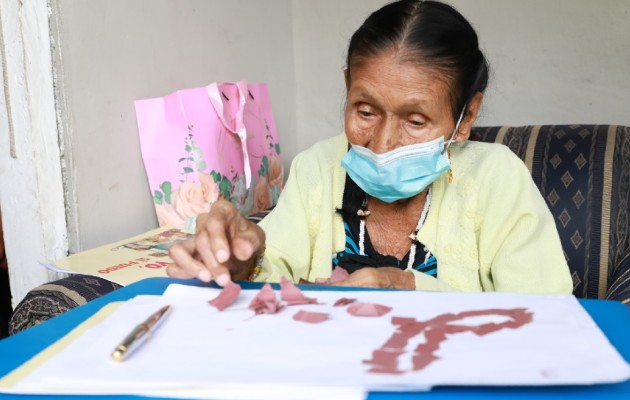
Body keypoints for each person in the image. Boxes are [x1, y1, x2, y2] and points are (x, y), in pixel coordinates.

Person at [167, 0, 573, 293]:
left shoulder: (497, 179)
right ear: (348, 89)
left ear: (465, 118)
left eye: (415, 121)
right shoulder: (318, 167)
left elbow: (543, 318)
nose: (381, 144)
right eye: (364, 111)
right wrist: (240, 260)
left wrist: (405, 285)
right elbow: (273, 276)